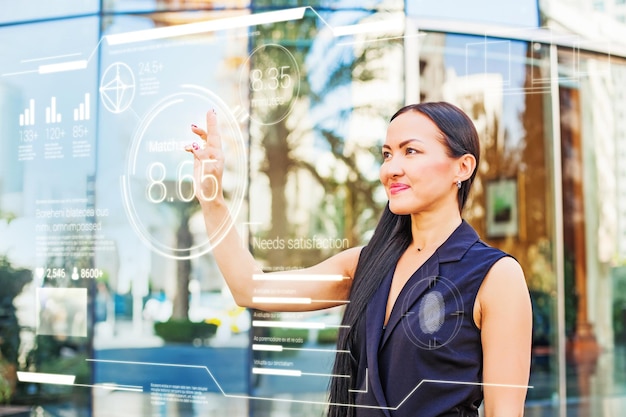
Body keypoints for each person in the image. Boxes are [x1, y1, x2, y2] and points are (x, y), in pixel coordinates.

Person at [185, 102, 532, 417]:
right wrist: (213, 200)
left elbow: (504, 412)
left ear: (463, 167)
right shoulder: (365, 264)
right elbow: (252, 290)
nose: (391, 169)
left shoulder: (495, 276)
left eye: (410, 151)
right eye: (386, 154)